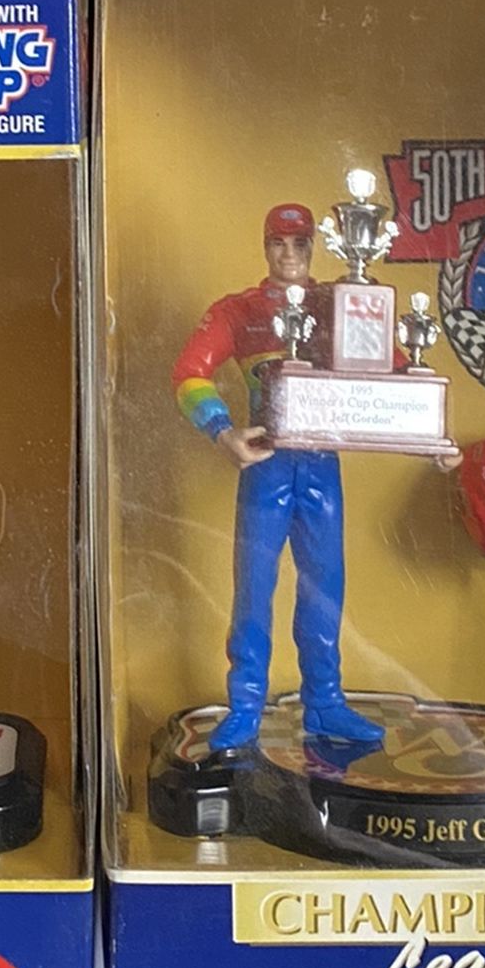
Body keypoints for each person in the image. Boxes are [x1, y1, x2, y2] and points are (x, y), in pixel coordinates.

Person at [172, 202, 385, 755]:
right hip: (266, 464)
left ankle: (326, 701)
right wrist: (222, 431)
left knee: (325, 586)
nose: (289, 254)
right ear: (265, 246)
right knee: (254, 587)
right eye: (278, 243)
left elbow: (399, 366)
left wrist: (429, 437)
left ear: (315, 247)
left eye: (300, 244)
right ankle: (245, 706)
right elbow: (189, 374)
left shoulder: (341, 303)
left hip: (321, 463)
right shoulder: (238, 311)